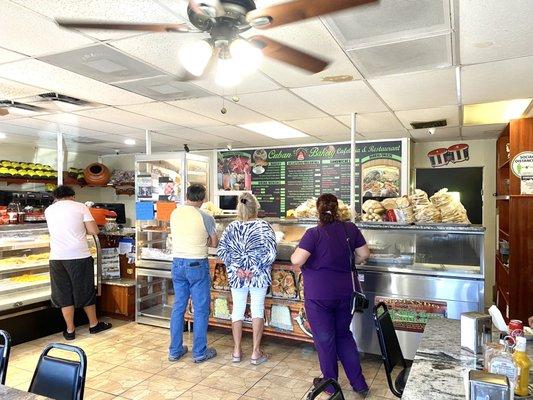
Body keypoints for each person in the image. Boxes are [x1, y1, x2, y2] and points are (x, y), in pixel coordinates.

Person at [291, 193, 370, 395]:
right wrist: (351, 261)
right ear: (337, 209)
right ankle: (359, 384)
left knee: (325, 340)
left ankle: (330, 385)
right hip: (345, 294)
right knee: (344, 335)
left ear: (318, 210)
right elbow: (364, 254)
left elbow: (297, 260)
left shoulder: (313, 234)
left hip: (319, 297)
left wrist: (297, 250)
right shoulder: (349, 229)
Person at [44, 185, 112, 340]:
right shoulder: (81, 207)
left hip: (56, 257)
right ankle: (94, 325)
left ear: (56, 197)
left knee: (63, 293)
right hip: (78, 255)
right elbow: (94, 231)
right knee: (85, 290)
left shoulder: (49, 210)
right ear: (72, 196)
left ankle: (69, 330)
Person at [217, 193, 277, 365]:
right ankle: (255, 353)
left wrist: (238, 269)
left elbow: (223, 251)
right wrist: (254, 269)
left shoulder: (231, 227)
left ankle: (236, 351)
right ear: (256, 207)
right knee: (257, 309)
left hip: (237, 276)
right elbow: (271, 253)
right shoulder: (264, 227)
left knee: (237, 309)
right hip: (258, 276)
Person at [169, 184, 218, 363]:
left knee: (178, 307)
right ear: (203, 199)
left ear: (187, 196)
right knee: (200, 309)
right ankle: (199, 352)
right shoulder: (205, 216)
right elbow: (214, 243)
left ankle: (174, 350)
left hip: (177, 263)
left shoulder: (175, 213)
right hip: (197, 264)